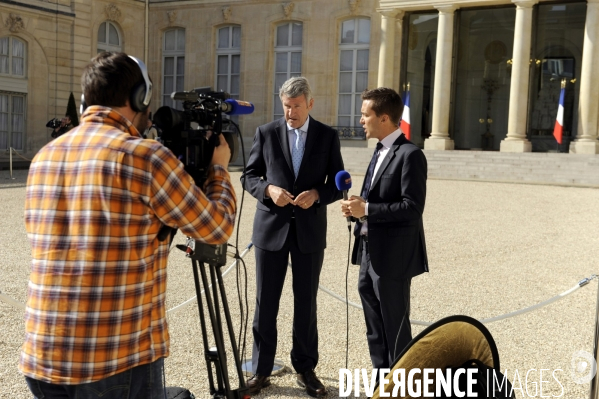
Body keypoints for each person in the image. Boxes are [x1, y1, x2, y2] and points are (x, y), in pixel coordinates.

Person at [20, 52, 236, 399]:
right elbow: (216, 227)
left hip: (42, 357)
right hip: (114, 359)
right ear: (140, 98)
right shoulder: (145, 157)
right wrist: (220, 170)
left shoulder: (44, 158)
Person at [242, 77, 344, 397]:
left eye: (296, 106)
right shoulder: (266, 133)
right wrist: (269, 190)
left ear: (310, 104)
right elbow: (249, 177)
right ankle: (261, 370)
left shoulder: (328, 136)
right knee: (265, 304)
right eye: (286, 106)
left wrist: (317, 193)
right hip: (270, 230)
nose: (290, 113)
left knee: (306, 305)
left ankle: (306, 368)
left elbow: (338, 183)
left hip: (309, 234)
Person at [340, 87, 428, 370]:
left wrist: (367, 210)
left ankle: (403, 385)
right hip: (368, 251)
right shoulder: (378, 151)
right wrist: (357, 209)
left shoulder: (410, 155)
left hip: (393, 257)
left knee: (396, 328)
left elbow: (412, 209)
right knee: (374, 327)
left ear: (385, 118)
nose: (360, 120)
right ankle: (382, 381)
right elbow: (374, 200)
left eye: (366, 115)